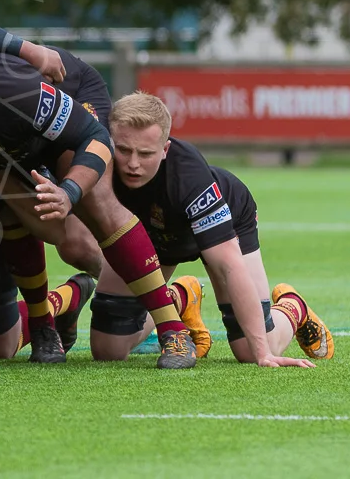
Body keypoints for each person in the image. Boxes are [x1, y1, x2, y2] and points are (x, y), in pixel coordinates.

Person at [0, 50, 198, 369]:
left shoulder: (17, 98)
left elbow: (94, 136)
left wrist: (70, 192)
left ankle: (172, 328)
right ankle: (49, 318)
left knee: (81, 236)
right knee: (0, 344)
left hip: (60, 105)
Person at [97, 93, 327, 368]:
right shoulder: (97, 161)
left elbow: (230, 266)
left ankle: (292, 308)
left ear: (165, 149)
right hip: (150, 233)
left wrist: (263, 353)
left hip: (224, 223)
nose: (133, 164)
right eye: (124, 150)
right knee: (108, 349)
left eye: (146, 154)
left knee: (248, 350)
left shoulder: (190, 179)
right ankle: (181, 298)